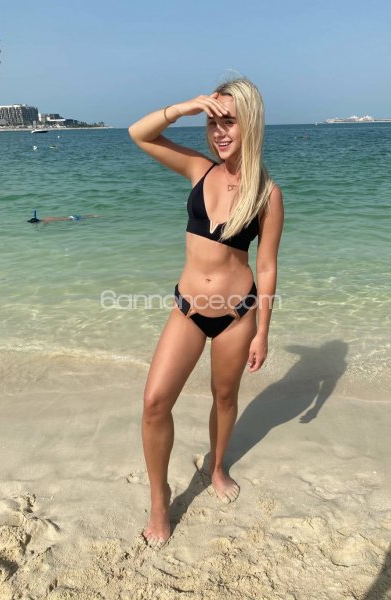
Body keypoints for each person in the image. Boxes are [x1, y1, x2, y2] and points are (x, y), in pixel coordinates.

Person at [128, 77, 284, 550]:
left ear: (250, 123)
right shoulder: (199, 169)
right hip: (188, 309)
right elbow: (139, 134)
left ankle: (216, 467)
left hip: (238, 314)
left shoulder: (267, 194)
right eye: (214, 122)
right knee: (155, 403)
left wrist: (262, 332)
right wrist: (183, 108)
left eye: (229, 121)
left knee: (224, 397)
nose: (219, 131)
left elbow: (267, 266)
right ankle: (160, 500)